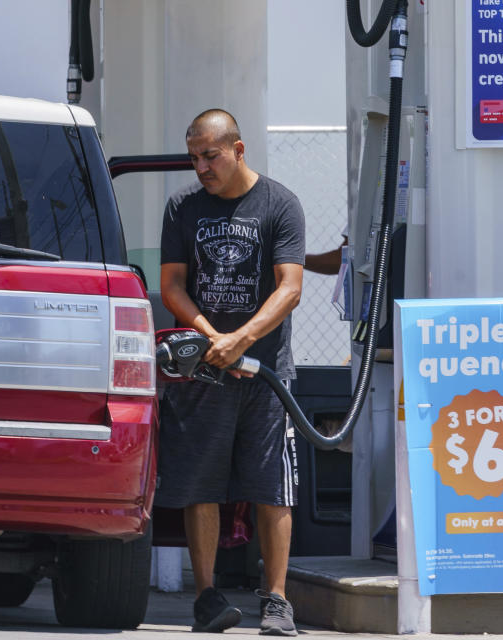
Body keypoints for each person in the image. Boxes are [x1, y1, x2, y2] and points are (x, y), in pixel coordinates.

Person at [158, 108, 305, 636]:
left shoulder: (279, 203)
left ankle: (277, 600)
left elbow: (289, 286)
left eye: (210, 155)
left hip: (266, 375)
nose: (201, 166)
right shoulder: (182, 207)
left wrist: (243, 339)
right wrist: (209, 336)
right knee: (202, 485)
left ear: (238, 150)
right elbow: (172, 284)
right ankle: (206, 597)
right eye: (194, 157)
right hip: (203, 370)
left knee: (273, 486)